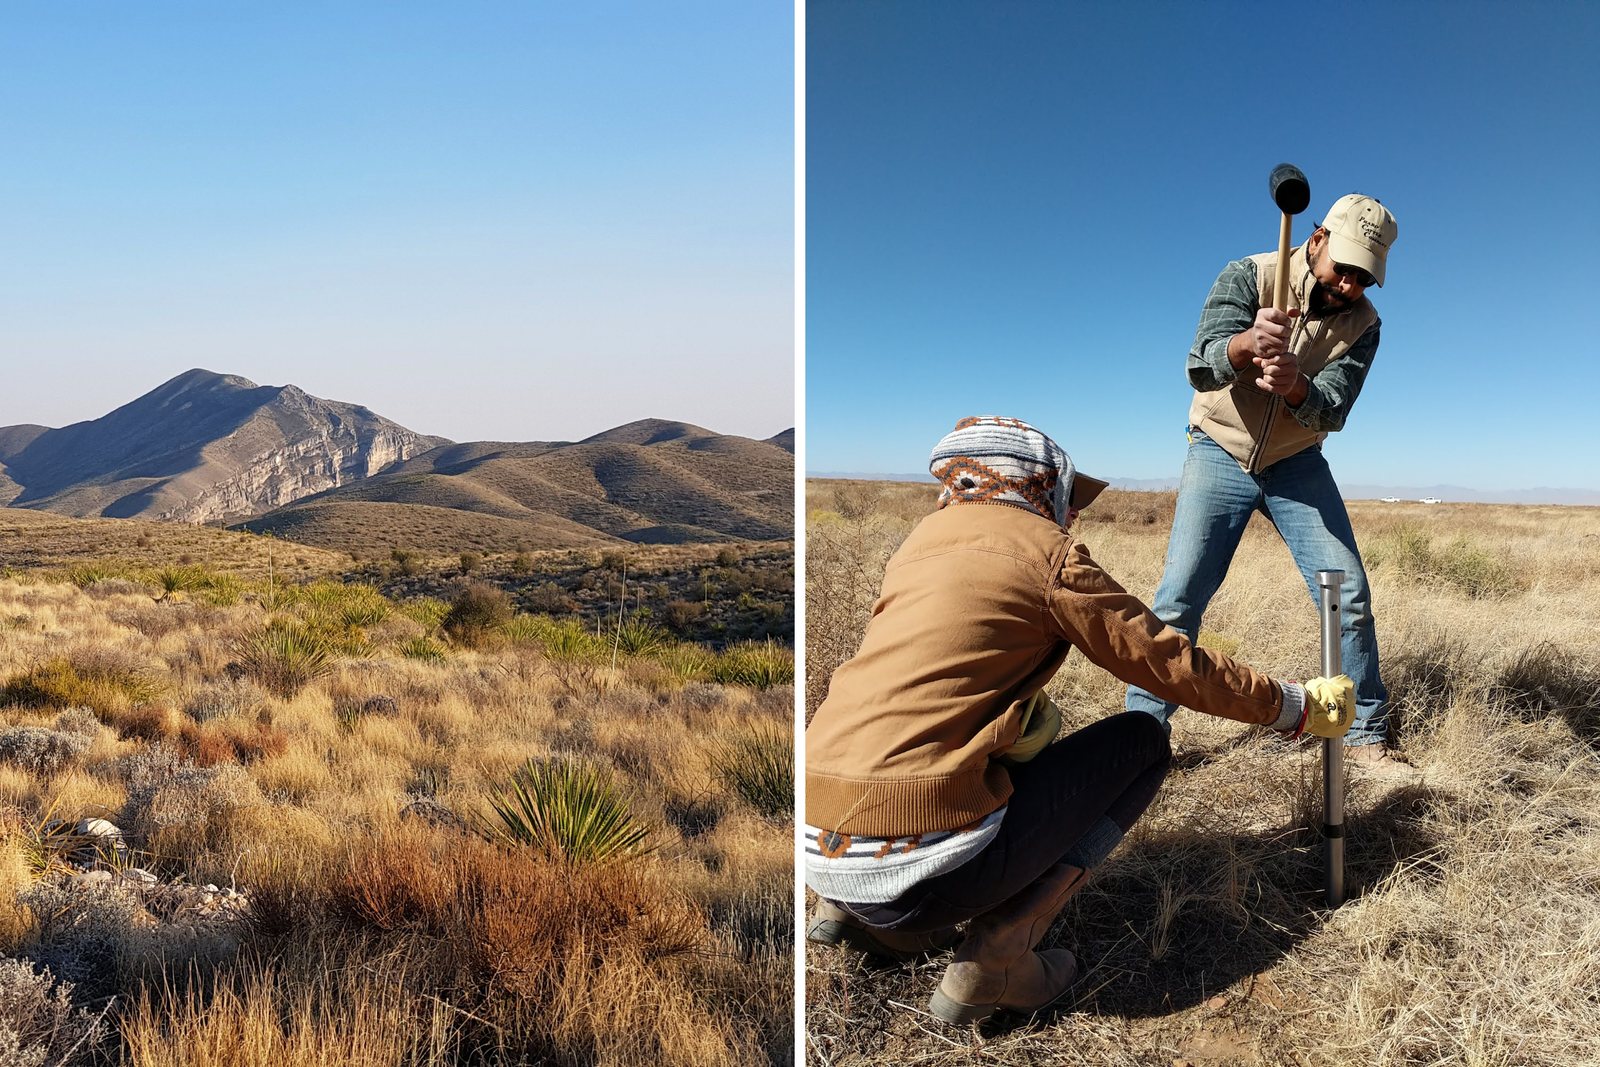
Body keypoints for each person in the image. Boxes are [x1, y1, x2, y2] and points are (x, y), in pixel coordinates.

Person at [804, 416, 1354, 1025]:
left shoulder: (918, 547)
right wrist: (1293, 706)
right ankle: (1000, 955)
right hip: (925, 868)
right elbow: (1170, 665)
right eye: (1066, 497)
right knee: (1142, 740)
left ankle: (854, 917)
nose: (1073, 516)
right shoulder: (1044, 554)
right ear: (1035, 485)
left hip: (820, 845)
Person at [1124, 194, 1402, 770]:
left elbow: (1333, 411)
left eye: (1364, 278)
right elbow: (1200, 363)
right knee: (1181, 596)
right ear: (1317, 239)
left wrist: (1298, 386)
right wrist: (1246, 345)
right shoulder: (1250, 274)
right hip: (1219, 449)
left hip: (1296, 461)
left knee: (1345, 592)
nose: (1349, 286)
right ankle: (1141, 738)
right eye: (1343, 269)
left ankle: (1364, 734)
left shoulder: (1365, 326)